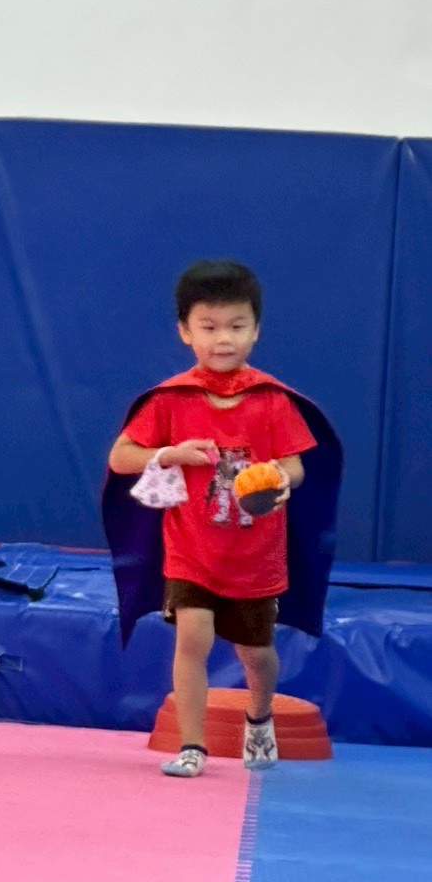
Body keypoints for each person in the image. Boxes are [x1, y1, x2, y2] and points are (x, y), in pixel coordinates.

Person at [103, 260, 341, 777]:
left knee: (256, 653)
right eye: (208, 327)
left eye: (236, 326)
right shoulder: (170, 399)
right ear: (185, 331)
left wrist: (277, 477)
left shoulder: (271, 401)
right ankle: (193, 746)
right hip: (191, 552)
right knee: (192, 638)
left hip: (255, 558)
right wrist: (168, 453)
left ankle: (260, 716)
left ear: (256, 330)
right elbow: (121, 457)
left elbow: (297, 467)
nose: (223, 339)